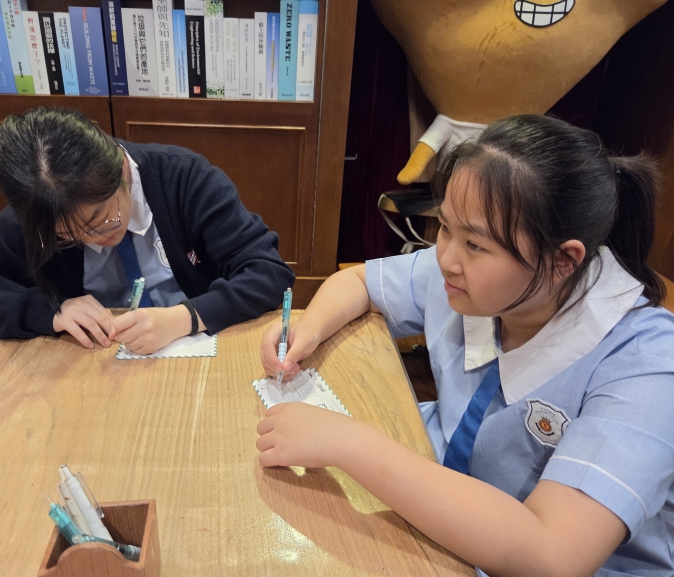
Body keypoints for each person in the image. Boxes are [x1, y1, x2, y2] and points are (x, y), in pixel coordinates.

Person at [257, 115, 674, 576]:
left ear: (562, 261)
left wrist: (349, 443)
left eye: (475, 244)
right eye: (444, 227)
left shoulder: (647, 366)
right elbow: (360, 283)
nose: (446, 259)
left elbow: (553, 555)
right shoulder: (477, 278)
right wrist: (308, 328)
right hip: (438, 513)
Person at [0, 107, 294, 353]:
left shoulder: (183, 178)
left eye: (103, 219)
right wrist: (50, 311)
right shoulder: (42, 218)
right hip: (93, 367)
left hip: (199, 350)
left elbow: (268, 272)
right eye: (69, 236)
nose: (94, 239)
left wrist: (186, 318)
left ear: (123, 171)